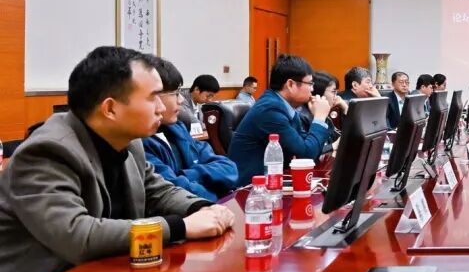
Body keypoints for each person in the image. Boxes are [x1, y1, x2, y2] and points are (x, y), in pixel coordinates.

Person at [0, 46, 234, 272]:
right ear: (110, 108)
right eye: (153, 98)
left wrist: (202, 208)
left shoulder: (129, 141)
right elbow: (78, 235)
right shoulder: (48, 151)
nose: (161, 107)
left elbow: (156, 189)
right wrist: (181, 227)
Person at [142, 56, 239, 202]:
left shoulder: (178, 128)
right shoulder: (140, 141)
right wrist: (217, 191)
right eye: (175, 93)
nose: (181, 99)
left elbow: (229, 168)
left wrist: (188, 175)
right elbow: (174, 191)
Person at [227, 54, 332, 186]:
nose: (312, 89)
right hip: (251, 189)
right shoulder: (270, 110)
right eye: (310, 83)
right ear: (291, 84)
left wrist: (319, 118)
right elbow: (305, 154)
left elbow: (305, 145)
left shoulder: (284, 106)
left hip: (274, 182)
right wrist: (319, 118)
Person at [298, 71, 346, 143]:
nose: (336, 97)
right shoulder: (302, 117)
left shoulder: (323, 114)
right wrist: (334, 146)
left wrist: (345, 108)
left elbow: (338, 136)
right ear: (319, 92)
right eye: (333, 91)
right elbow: (311, 148)